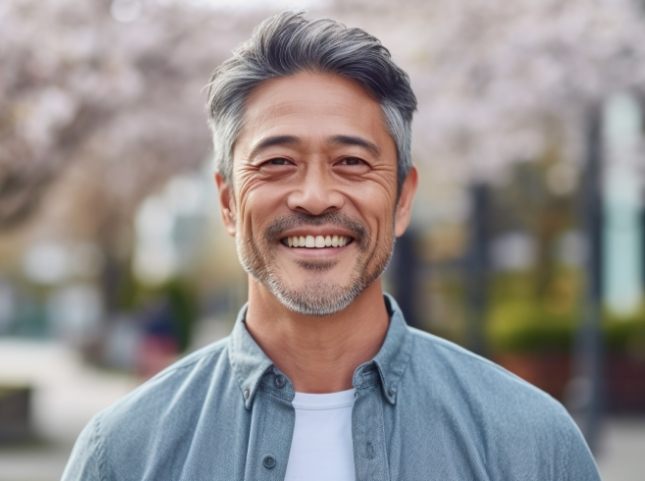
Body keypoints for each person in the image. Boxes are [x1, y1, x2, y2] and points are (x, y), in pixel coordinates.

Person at [62, 11, 601, 481]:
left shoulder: (532, 444)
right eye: (277, 162)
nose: (315, 196)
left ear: (402, 198)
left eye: (352, 162)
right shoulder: (125, 452)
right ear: (227, 201)